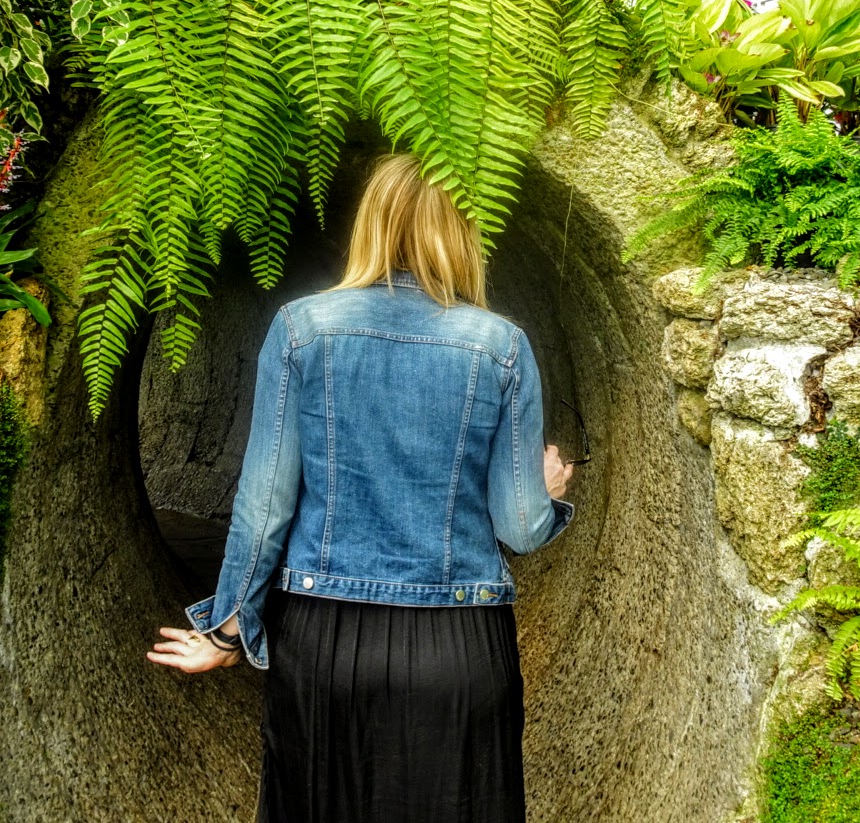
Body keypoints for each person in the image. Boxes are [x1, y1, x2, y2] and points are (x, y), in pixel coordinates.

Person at [148, 153, 576, 823]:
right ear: (465, 234)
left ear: (369, 224)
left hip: (325, 646)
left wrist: (228, 632)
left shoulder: (301, 329)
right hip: (459, 648)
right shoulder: (501, 346)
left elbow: (264, 505)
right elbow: (520, 525)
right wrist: (547, 493)